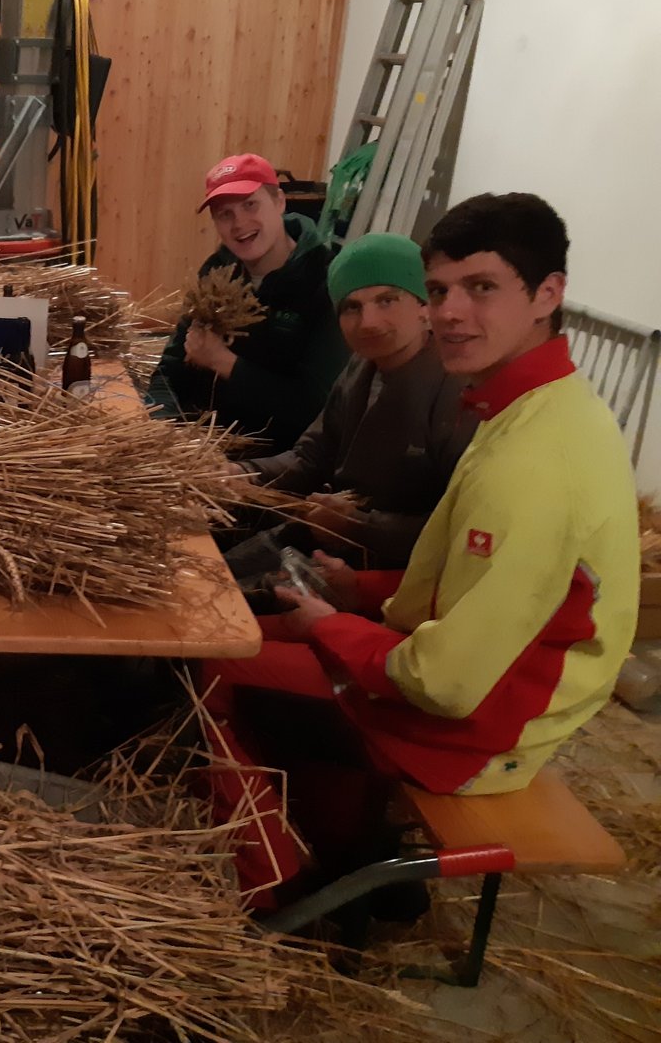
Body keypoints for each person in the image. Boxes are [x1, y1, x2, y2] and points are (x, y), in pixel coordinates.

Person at [197, 193, 640, 905]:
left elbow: (446, 682)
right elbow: (473, 579)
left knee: (212, 665)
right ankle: (342, 844)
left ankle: (280, 889)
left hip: (482, 731)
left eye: (481, 288)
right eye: (439, 291)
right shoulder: (530, 408)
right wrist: (363, 593)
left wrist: (332, 627)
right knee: (246, 635)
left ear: (548, 294)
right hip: (478, 684)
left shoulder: (531, 463)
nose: (450, 313)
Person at [224, 232, 478, 578]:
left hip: (389, 575)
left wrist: (358, 525)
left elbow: (456, 530)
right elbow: (311, 457)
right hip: (324, 538)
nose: (368, 322)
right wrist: (240, 474)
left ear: (425, 307)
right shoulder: (361, 366)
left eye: (387, 300)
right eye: (352, 307)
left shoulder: (458, 393)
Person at [146, 153, 348, 455]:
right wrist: (164, 433)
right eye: (224, 214)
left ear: (279, 202)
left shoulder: (325, 280)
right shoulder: (217, 272)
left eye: (250, 205)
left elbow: (314, 407)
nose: (239, 223)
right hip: (199, 448)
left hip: (277, 462)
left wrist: (223, 362)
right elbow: (168, 371)